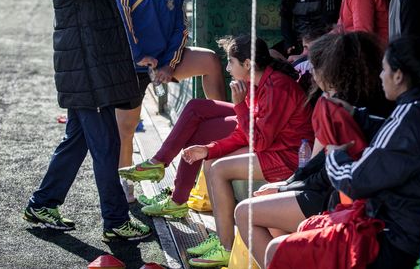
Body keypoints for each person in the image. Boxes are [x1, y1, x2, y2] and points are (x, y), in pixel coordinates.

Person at [118, 34, 313, 267]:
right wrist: (208, 150)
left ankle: (226, 246)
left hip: (290, 157)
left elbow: (259, 142)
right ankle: (222, 240)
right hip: (275, 150)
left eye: (231, 62)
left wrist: (239, 104)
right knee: (212, 161)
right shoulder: (256, 84)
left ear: (248, 65)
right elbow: (245, 133)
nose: (227, 68)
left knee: (218, 168)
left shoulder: (276, 87)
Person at [266, 37, 420, 269]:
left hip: (392, 236)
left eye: (384, 70)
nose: (381, 76)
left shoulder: (408, 119)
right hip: (402, 227)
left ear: (399, 76)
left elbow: (353, 182)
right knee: (304, 230)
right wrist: (356, 116)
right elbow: (383, 136)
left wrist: (334, 152)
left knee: (277, 250)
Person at [23, 0, 151, 241]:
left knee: (76, 141)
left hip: (87, 75)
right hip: (87, 77)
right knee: (107, 146)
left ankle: (42, 203)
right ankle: (116, 221)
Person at [234, 31, 387, 268]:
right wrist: (283, 186)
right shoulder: (354, 101)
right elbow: (316, 164)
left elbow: (327, 173)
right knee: (272, 219)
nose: (312, 75)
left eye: (315, 68)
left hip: (338, 200)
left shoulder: (340, 109)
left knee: (244, 212)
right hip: (333, 192)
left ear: (332, 71)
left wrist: (284, 187)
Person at [113, 0, 226, 202]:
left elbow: (180, 32)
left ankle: (225, 124)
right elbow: (123, 24)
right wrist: (139, 55)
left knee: (210, 60)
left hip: (163, 61)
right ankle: (123, 188)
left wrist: (169, 65)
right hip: (132, 65)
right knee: (125, 131)